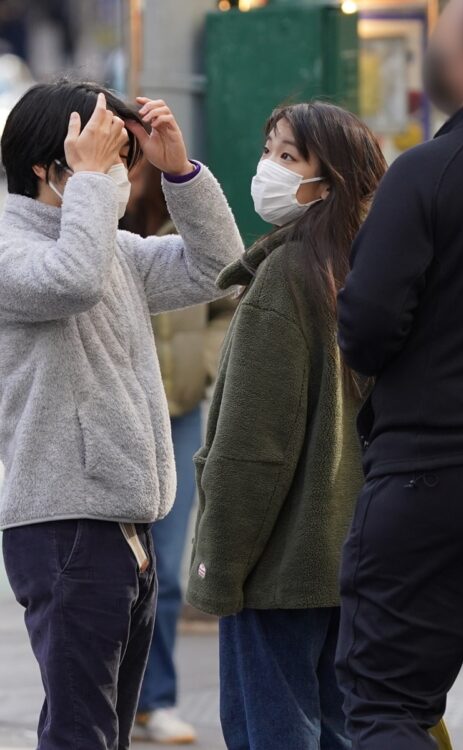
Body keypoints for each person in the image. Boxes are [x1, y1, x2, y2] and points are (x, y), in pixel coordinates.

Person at [0, 80, 243, 750]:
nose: (117, 181)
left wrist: (180, 173)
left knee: (104, 733)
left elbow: (222, 270)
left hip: (125, 522)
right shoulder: (12, 248)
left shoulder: (113, 251)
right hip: (63, 527)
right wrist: (92, 180)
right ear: (49, 171)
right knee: (81, 733)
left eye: (120, 164)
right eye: (105, 160)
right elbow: (71, 280)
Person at [186, 101, 386, 750]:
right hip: (354, 556)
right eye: (269, 150)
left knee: (269, 731)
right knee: (340, 730)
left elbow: (251, 449)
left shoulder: (284, 278)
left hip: (277, 567)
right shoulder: (370, 274)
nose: (266, 168)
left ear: (327, 184)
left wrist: (221, 566)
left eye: (288, 157)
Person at [335, 0, 463, 747]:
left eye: (441, 35)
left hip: (434, 474)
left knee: (386, 705)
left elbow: (366, 330)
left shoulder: (429, 173)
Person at [121, 157, 236, 745]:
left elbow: (228, 298)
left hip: (181, 414)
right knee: (107, 566)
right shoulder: (101, 227)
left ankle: (155, 698)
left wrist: (208, 361)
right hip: (119, 415)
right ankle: (114, 692)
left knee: (165, 562)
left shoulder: (182, 234)